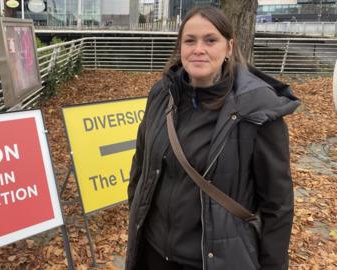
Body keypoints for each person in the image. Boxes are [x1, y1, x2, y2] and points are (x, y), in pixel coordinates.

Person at [126, 6, 300, 270]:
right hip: (153, 254)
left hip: (213, 260)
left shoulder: (256, 111)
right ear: (180, 47)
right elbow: (142, 163)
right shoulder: (162, 94)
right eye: (190, 40)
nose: (199, 49)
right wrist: (136, 214)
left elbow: (278, 206)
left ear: (229, 47)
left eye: (210, 40)